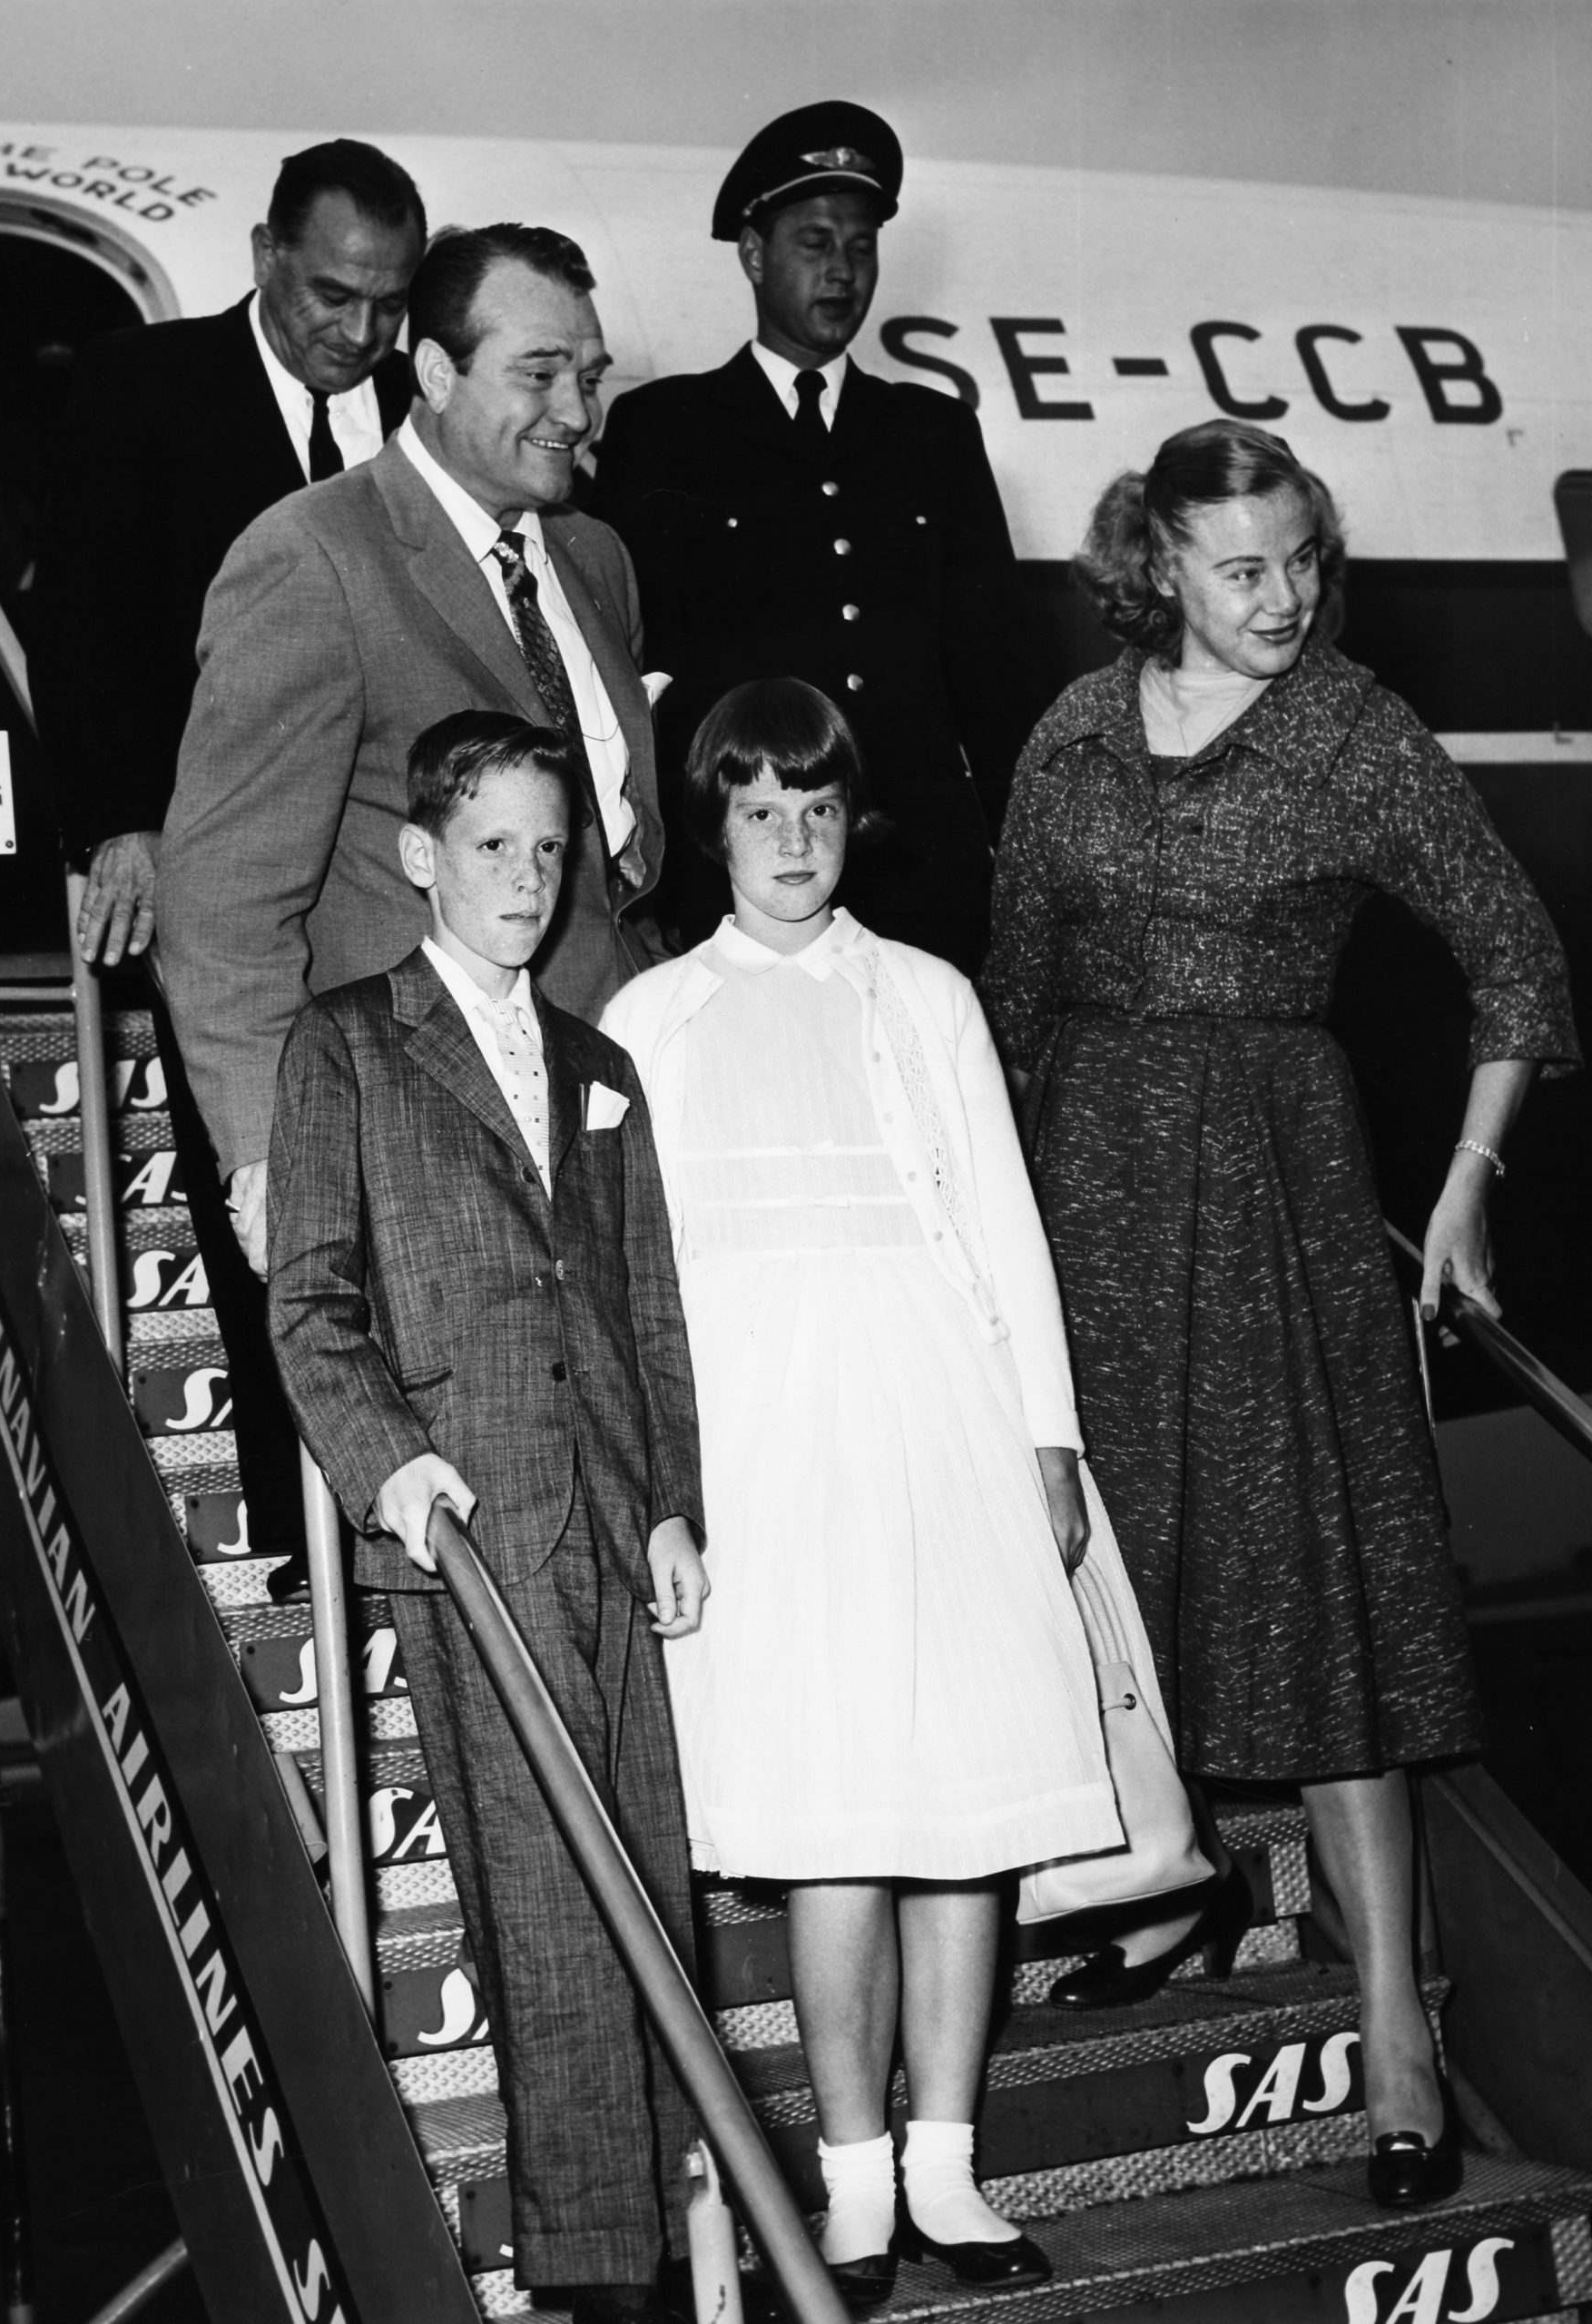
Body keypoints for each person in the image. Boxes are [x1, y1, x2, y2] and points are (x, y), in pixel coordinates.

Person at [980, 419, 1580, 2209]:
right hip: (1080, 1182)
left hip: (1273, 1196)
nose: (1281, 597)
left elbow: (1512, 952)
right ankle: (1144, 1901)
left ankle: (1395, 2027)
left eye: (1299, 559)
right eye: (1240, 566)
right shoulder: (1069, 732)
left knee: (1319, 1606)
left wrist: (1464, 1177)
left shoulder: (1347, 728)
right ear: (1152, 562)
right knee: (1097, 1582)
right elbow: (1009, 993)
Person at [603, 678, 1167, 2309]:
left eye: (820, 810)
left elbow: (1003, 1225)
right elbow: (647, 1285)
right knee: (830, 1820)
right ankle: (853, 2183)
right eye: (758, 811)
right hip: (770, 1459)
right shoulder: (653, 1024)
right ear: (709, 827)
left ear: (857, 822)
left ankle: (945, 2163)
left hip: (943, 1434)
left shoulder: (926, 996)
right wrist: (673, 1485)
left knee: (960, 1815)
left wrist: (1044, 1442)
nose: (791, 842)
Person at [264, 710, 706, 2319]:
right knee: (542, 1898)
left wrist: (671, 1507)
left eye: (548, 848)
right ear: (420, 859)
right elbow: (310, 1305)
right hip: (466, 1532)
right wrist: (389, 1461)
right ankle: (599, 2272)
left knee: (647, 1876)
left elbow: (645, 1313)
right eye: (494, 848)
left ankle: (672, 2228)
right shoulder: (351, 1042)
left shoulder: (602, 1065)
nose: (528, 879)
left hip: (603, 1519)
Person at [29, 137, 426, 1576]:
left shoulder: (419, 410)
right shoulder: (147, 391)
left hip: (384, 893)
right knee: (267, 1209)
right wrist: (123, 822)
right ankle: (284, 1532)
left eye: (387, 304)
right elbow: (82, 626)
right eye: (332, 295)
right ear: (265, 254)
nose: (360, 334)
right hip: (229, 884)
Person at [158, 222, 668, 1299]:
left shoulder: (595, 556)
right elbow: (222, 906)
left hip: (613, 1122)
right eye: (538, 374)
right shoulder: (311, 559)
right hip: (423, 1152)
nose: (574, 413)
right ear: (434, 372)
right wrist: (270, 1160)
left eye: (587, 375)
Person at [590, 103, 1037, 973]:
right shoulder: (665, 430)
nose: (842, 270)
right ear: (754, 254)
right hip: (742, 869)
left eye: (861, 245)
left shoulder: (934, 433)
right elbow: (634, 672)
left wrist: (1021, 869)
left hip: (920, 875)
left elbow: (995, 676)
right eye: (815, 242)